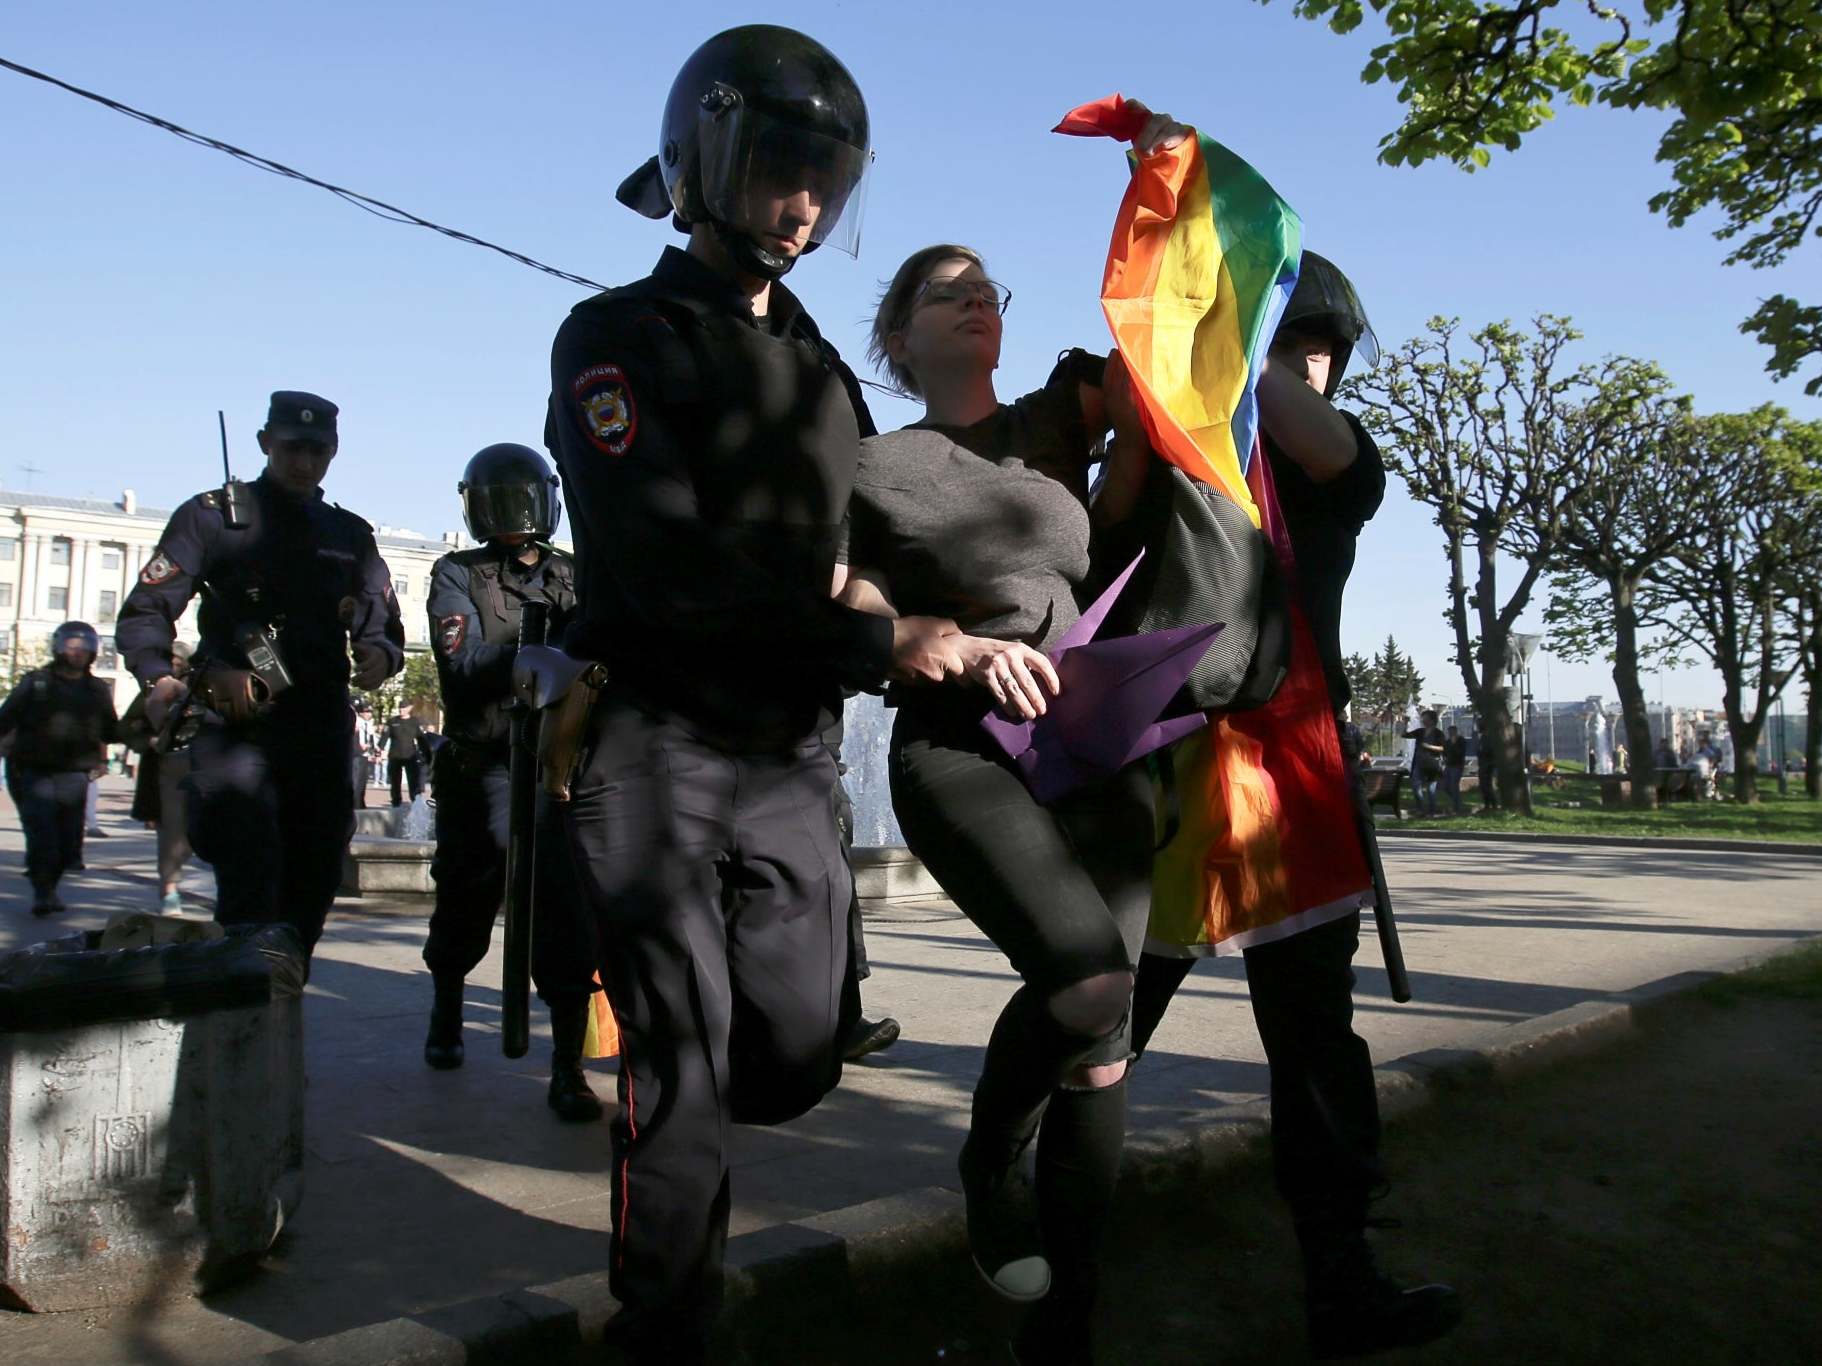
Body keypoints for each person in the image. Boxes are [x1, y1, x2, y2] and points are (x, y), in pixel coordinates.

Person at [543, 26, 963, 1362]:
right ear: (703, 159)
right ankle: (664, 1327)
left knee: (788, 1053)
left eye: (824, 181)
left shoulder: (827, 374)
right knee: (681, 1067)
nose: (801, 203)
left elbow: (864, 544)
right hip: (656, 744)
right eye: (781, 167)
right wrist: (872, 638)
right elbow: (667, 564)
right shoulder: (616, 336)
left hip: (790, 755)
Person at [841, 174, 1187, 1354]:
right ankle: (990, 1156)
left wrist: (1163, 187)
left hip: (1097, 734)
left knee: (1102, 1047)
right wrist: (930, 638)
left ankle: (1067, 1329)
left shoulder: (1055, 421)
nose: (975, 301)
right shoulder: (871, 466)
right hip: (960, 743)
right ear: (897, 334)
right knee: (1088, 980)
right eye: (946, 292)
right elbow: (850, 609)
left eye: (986, 289)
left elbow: (1156, 373)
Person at [1128, 254, 1459, 1358]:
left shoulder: (1333, 463)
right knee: (1103, 1009)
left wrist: (1236, 329)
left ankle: (1341, 1277)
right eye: (1288, 339)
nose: (1306, 361)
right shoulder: (1187, 451)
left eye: (1320, 343)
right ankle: (1036, 1217)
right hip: (1170, 763)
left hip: (1292, 776)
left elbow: (1314, 434)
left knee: (1315, 1046)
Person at [118, 391, 404, 955]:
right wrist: (159, 678)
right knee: (249, 870)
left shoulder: (349, 534)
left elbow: (381, 625)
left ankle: (282, 988)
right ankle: (248, 1000)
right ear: (265, 443)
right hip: (237, 723)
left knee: (316, 873)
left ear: (334, 452)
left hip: (318, 724)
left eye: (318, 451)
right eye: (293, 448)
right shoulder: (214, 517)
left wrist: (379, 656)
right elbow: (147, 609)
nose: (305, 463)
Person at [418, 442, 603, 1123]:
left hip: (552, 767)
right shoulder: (456, 574)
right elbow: (459, 663)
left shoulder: (572, 574)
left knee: (566, 913)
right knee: (465, 899)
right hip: (483, 761)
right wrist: (535, 653)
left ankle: (567, 1068)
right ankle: (446, 1012)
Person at [0, 621, 117, 914]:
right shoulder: (36, 682)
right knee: (42, 833)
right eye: (71, 645)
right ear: (59, 647)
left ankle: (50, 883)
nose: (77, 652)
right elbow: (5, 718)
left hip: (75, 774)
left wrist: (146, 729)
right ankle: (44, 891)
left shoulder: (97, 689)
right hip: (34, 772)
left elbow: (112, 730)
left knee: (68, 842)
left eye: (84, 646)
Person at [121, 640, 197, 909]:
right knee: (172, 834)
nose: (174, 667)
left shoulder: (199, 688)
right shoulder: (151, 692)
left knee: (197, 833)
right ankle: (169, 889)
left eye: (179, 663)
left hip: (203, 765)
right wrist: (148, 741)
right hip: (166, 772)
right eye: (170, 662)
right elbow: (127, 727)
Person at [1404, 708, 1445, 817]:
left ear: (1432, 720)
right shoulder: (1420, 732)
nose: (1423, 720)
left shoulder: (1438, 733)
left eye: (1425, 718)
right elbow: (1405, 735)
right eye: (1423, 718)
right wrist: (1406, 723)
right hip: (1419, 763)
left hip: (1432, 764)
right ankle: (1421, 808)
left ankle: (1431, 811)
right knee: (1415, 785)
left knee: (1431, 789)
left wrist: (1429, 746)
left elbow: (1442, 748)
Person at [384, 701, 425, 806]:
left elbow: (421, 739)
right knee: (395, 782)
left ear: (409, 708)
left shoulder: (414, 722)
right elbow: (384, 737)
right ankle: (396, 802)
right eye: (400, 708)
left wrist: (427, 753)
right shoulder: (392, 721)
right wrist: (379, 749)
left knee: (413, 781)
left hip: (410, 755)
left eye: (404, 708)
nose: (401, 710)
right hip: (395, 756)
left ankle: (416, 802)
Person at [352, 699, 379, 807]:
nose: (369, 714)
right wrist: (360, 746)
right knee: (356, 781)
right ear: (361, 712)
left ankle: (360, 803)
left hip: (365, 755)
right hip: (357, 755)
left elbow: (371, 739)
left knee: (363, 781)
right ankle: (355, 804)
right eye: (367, 711)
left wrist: (374, 751)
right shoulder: (357, 722)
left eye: (370, 712)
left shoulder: (369, 724)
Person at [1440, 724, 1468, 816]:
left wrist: (1454, 744)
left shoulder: (1461, 741)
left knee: (1454, 785)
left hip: (1457, 766)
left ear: (1456, 732)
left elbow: (1460, 753)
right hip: (1448, 766)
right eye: (1449, 732)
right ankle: (1456, 800)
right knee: (1445, 785)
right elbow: (1444, 753)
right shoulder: (1447, 742)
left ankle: (1457, 807)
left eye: (1452, 732)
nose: (1451, 734)